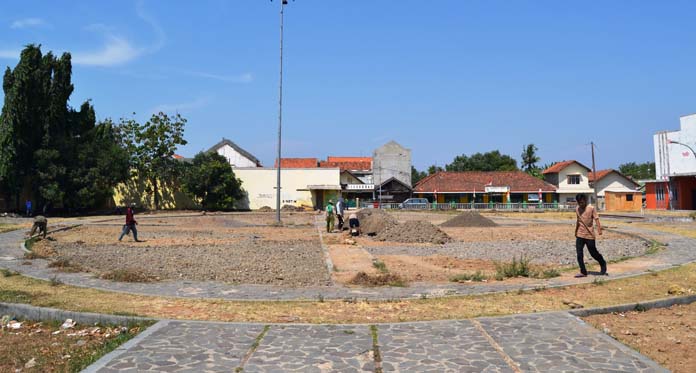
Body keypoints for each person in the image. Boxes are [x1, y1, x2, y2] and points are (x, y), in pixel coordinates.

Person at [574, 193, 607, 277]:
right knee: (579, 254)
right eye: (579, 203)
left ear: (585, 200)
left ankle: (602, 263)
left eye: (582, 202)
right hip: (580, 234)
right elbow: (578, 220)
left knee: (593, 253)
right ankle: (583, 271)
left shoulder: (591, 208)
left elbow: (596, 219)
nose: (581, 204)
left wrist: (599, 229)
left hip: (590, 235)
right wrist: (576, 231)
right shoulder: (577, 209)